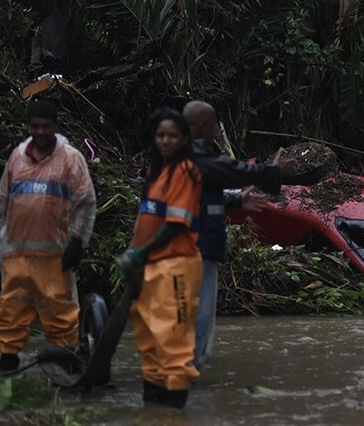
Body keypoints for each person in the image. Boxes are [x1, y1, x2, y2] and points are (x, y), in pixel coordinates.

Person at [0, 98, 97, 373]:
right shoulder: (17, 158)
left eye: (46, 126)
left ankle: (64, 364)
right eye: (35, 126)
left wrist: (78, 240)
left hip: (55, 254)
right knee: (11, 308)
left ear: (55, 125)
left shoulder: (71, 159)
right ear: (29, 126)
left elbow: (86, 202)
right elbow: (2, 198)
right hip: (15, 251)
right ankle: (8, 362)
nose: (40, 132)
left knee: (60, 313)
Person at [182, 100, 293, 372]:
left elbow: (202, 194)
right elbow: (232, 170)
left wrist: (235, 200)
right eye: (212, 125)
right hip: (197, 247)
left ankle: (179, 370)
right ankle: (185, 372)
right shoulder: (197, 159)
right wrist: (273, 172)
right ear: (202, 127)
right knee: (200, 312)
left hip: (182, 246)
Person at [116, 107, 203, 409]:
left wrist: (139, 254)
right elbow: (146, 220)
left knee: (174, 342)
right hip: (150, 264)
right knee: (148, 335)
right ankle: (153, 412)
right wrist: (132, 251)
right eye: (161, 135)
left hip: (176, 264)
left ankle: (174, 413)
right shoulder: (157, 172)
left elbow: (175, 225)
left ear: (183, 139)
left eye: (172, 136)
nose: (166, 141)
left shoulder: (186, 171)